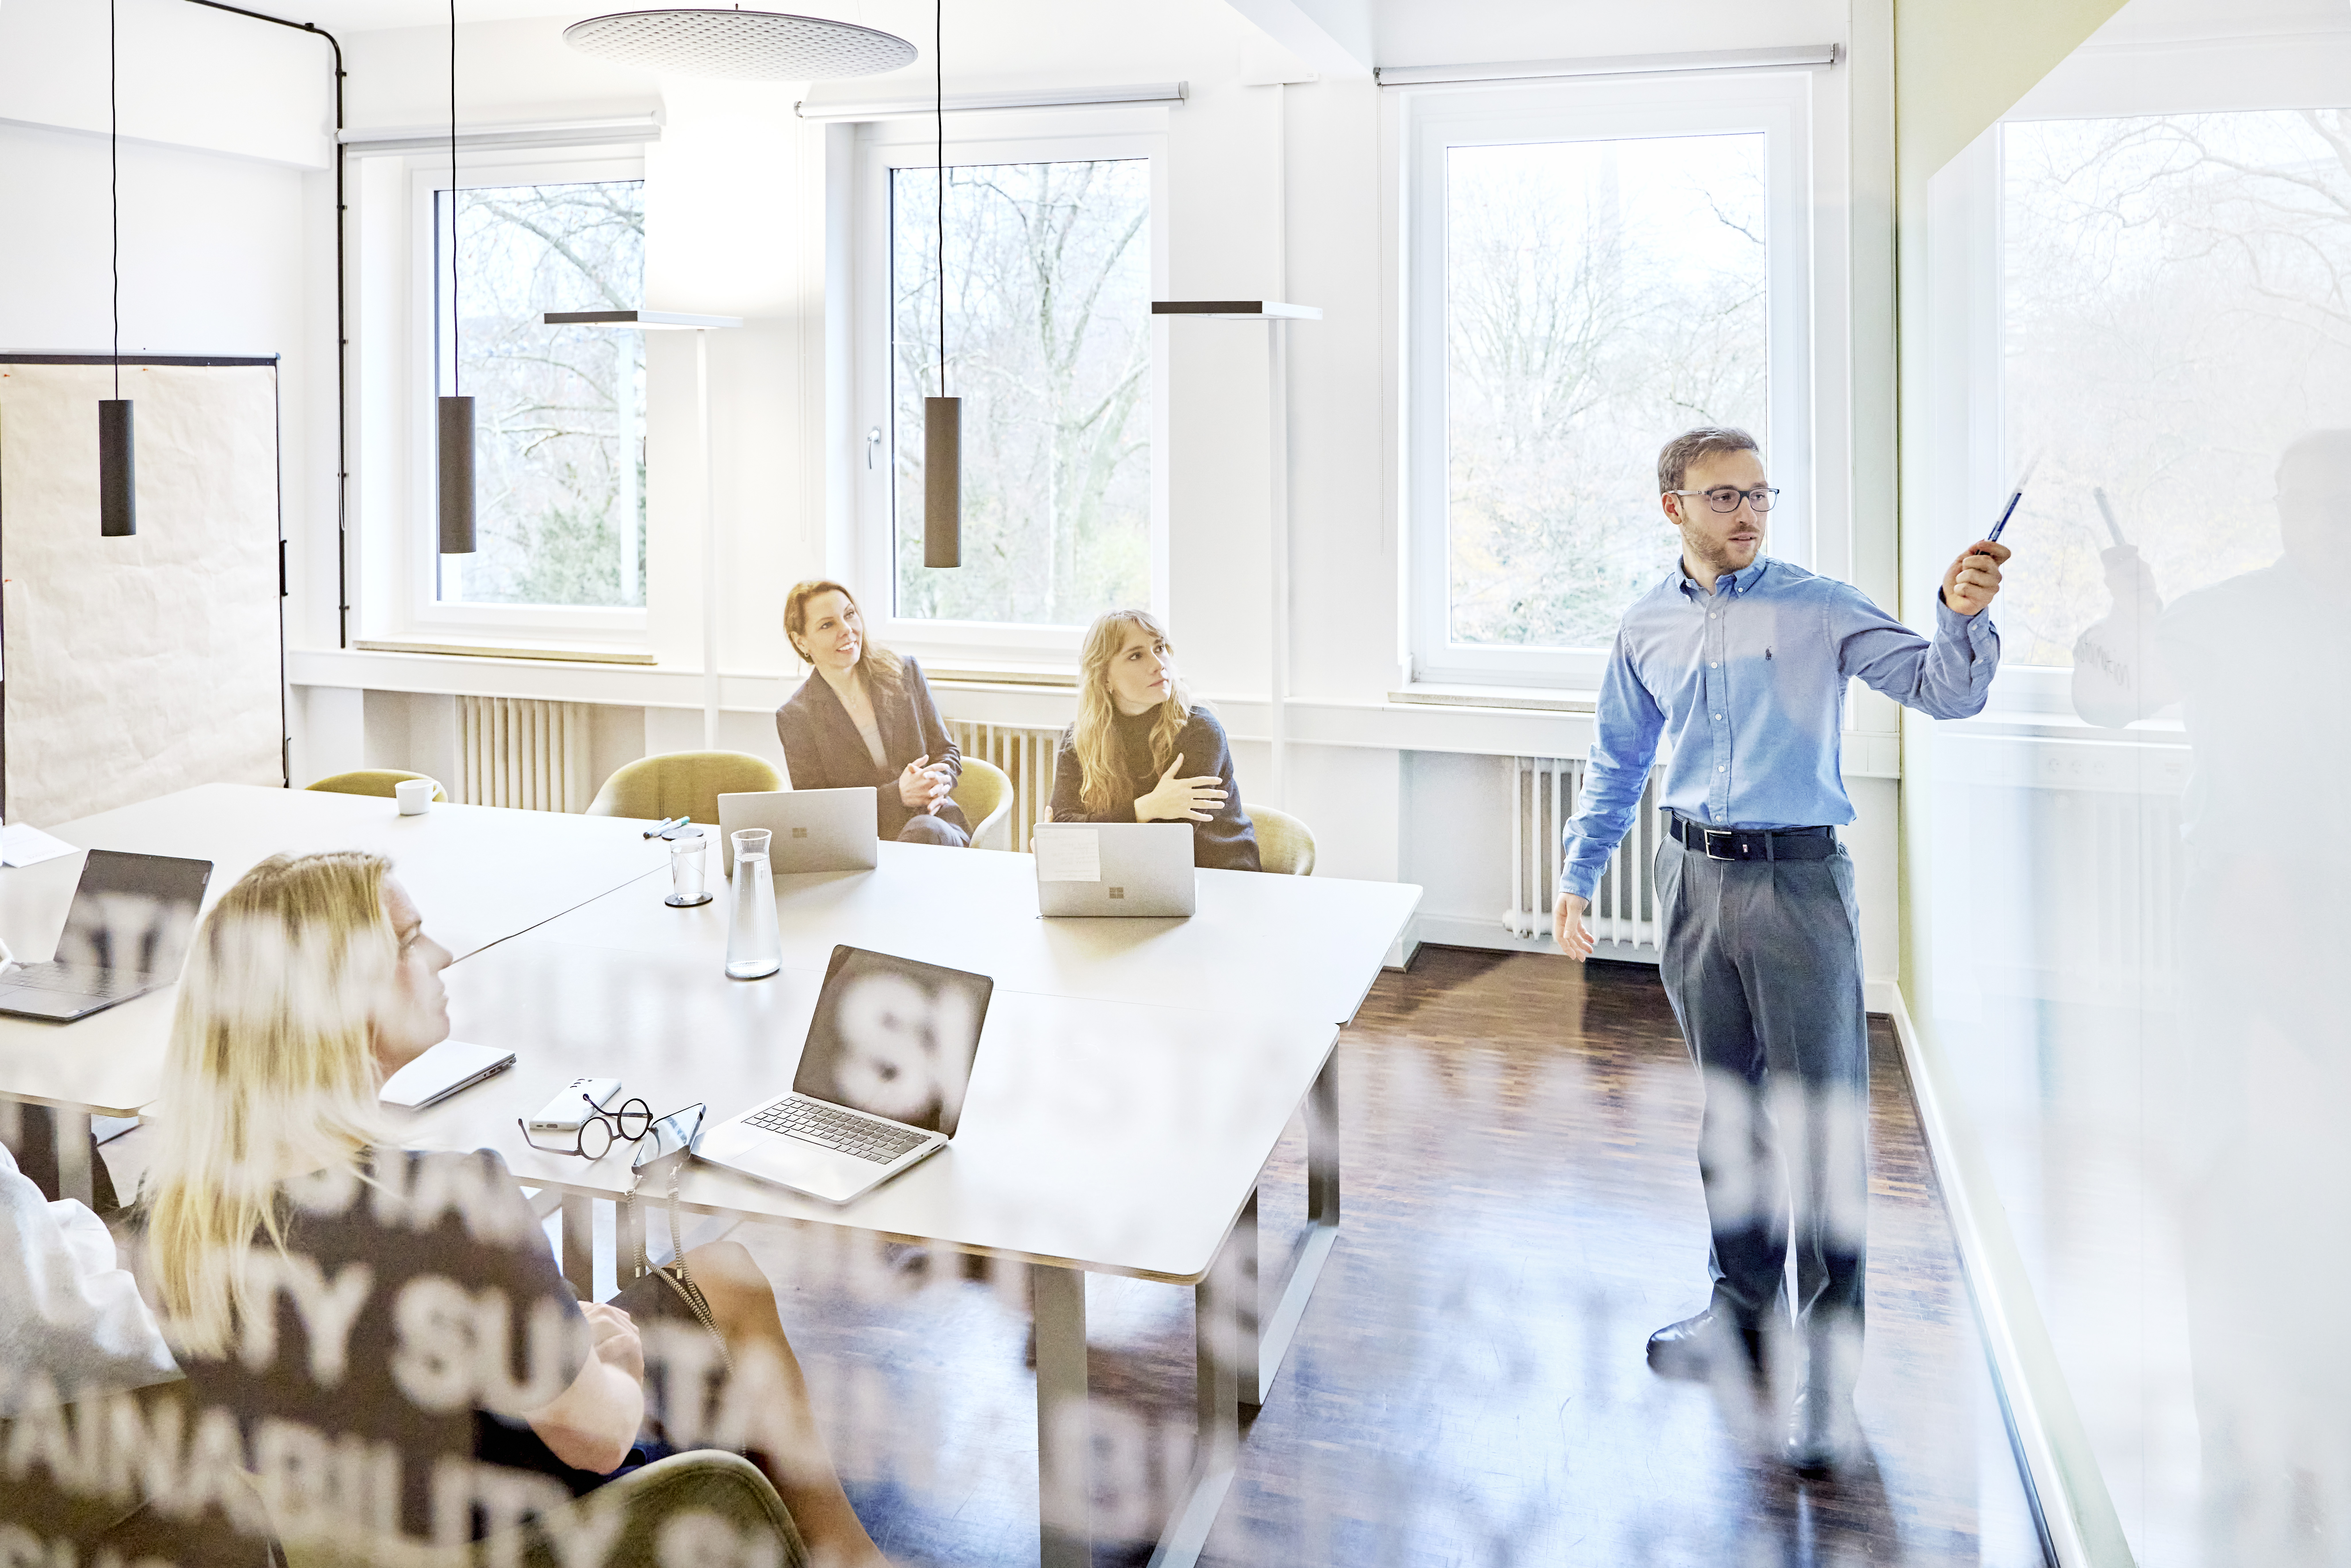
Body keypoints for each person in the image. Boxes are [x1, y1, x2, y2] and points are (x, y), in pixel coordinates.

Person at [133, 852, 886, 1564]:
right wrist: (608, 1360)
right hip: (542, 1529)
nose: (442, 957)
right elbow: (599, 1440)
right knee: (719, 1314)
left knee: (723, 1279)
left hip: (374, 1524)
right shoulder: (455, 1204)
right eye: (410, 941)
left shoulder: (174, 1220)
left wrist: (546, 1340)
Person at [1553, 426, 2008, 1472]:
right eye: (1722, 496)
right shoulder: (1641, 627)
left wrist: (1962, 616)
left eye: (1758, 493)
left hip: (1798, 887)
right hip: (1689, 883)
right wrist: (1580, 873)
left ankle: (1828, 1378)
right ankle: (1740, 1315)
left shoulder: (1817, 604)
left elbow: (1945, 690)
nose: (1746, 511)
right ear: (1671, 506)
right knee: (1732, 1116)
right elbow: (1618, 759)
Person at [2067, 431, 2350, 1559]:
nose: (2311, 515)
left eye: (2329, 497)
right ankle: (2245, 1434)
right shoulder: (2223, 616)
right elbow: (2106, 703)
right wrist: (2128, 625)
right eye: (2296, 497)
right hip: (2245, 932)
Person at [1048, 610, 1261, 871]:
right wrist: (1144, 809)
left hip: (1219, 878)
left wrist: (1078, 845)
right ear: (1104, 677)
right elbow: (1061, 829)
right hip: (1131, 880)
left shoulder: (1200, 732)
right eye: (1136, 655)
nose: (1159, 664)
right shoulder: (1078, 738)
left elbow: (1165, 845)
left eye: (1159, 648)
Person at [776, 579, 969, 847]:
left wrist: (939, 779)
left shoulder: (904, 672)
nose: (847, 630)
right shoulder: (796, 717)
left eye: (850, 614)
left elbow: (946, 751)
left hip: (936, 824)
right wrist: (898, 795)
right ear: (801, 642)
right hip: (858, 841)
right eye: (827, 625)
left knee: (924, 830)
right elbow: (819, 808)